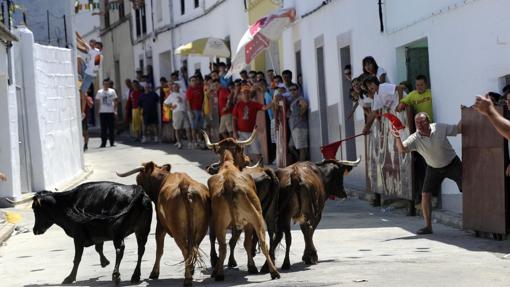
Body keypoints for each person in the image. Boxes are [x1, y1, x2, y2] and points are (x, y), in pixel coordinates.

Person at [391, 112, 462, 235]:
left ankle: (478, 220)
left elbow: (458, 129)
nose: (420, 124)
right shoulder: (415, 138)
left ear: (428, 121)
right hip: (433, 168)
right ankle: (428, 227)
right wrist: (397, 137)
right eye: (417, 122)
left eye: (423, 121)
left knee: (469, 187)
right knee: (425, 194)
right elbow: (402, 149)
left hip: (452, 164)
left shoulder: (439, 127)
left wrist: (464, 114)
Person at [232, 85, 272, 163]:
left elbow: (265, 107)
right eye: (244, 93)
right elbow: (234, 119)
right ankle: (243, 170)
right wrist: (234, 131)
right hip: (241, 133)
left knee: (257, 151)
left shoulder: (254, 104)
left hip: (252, 133)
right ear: (241, 94)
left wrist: (273, 102)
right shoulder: (238, 105)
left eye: (247, 93)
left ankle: (261, 169)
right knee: (242, 153)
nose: (246, 94)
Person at [164, 83, 192, 149]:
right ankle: (179, 142)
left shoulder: (183, 94)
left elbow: (187, 102)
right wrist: (171, 106)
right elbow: (165, 103)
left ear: (179, 87)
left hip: (184, 112)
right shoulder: (171, 95)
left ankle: (190, 142)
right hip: (176, 112)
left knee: (188, 128)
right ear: (172, 88)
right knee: (177, 129)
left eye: (176, 87)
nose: (175, 88)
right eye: (174, 87)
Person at [287, 83, 309, 161]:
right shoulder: (292, 100)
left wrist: (301, 114)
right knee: (291, 146)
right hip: (294, 127)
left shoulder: (300, 99)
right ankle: (300, 161)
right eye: (290, 90)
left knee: (301, 147)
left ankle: (301, 164)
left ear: (298, 90)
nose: (292, 91)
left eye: (294, 89)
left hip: (299, 126)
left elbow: (305, 105)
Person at [96, 79, 118, 148]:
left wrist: (115, 110)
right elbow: (97, 102)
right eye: (105, 84)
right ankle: (103, 143)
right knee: (103, 129)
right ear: (103, 84)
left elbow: (115, 101)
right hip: (102, 112)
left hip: (111, 112)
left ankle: (112, 142)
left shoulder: (112, 91)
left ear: (109, 84)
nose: (106, 85)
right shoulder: (99, 92)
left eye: (107, 84)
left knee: (111, 128)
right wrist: (97, 111)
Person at [186, 76, 205, 148]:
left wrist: (203, 110)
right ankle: (195, 141)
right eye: (192, 80)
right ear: (190, 82)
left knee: (201, 127)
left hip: (200, 110)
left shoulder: (200, 88)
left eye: (195, 80)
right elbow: (188, 102)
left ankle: (200, 140)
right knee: (193, 127)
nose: (194, 82)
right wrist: (191, 112)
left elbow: (203, 99)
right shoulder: (189, 90)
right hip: (193, 111)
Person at [82, 86, 94, 151]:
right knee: (81, 133)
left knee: (85, 132)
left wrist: (86, 98)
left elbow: (91, 106)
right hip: (78, 118)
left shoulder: (89, 98)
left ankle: (86, 144)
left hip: (85, 117)